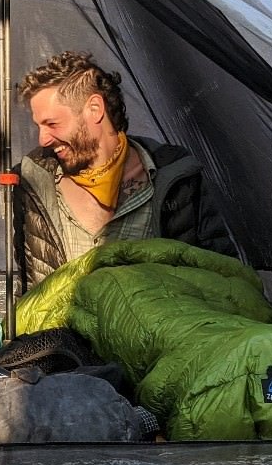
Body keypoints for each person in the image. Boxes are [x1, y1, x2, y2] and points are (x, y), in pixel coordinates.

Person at [14, 50, 234, 288]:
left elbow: (223, 277)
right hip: (57, 325)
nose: (43, 139)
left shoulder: (175, 178)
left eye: (52, 124)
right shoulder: (32, 184)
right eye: (39, 126)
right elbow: (27, 293)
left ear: (95, 109)